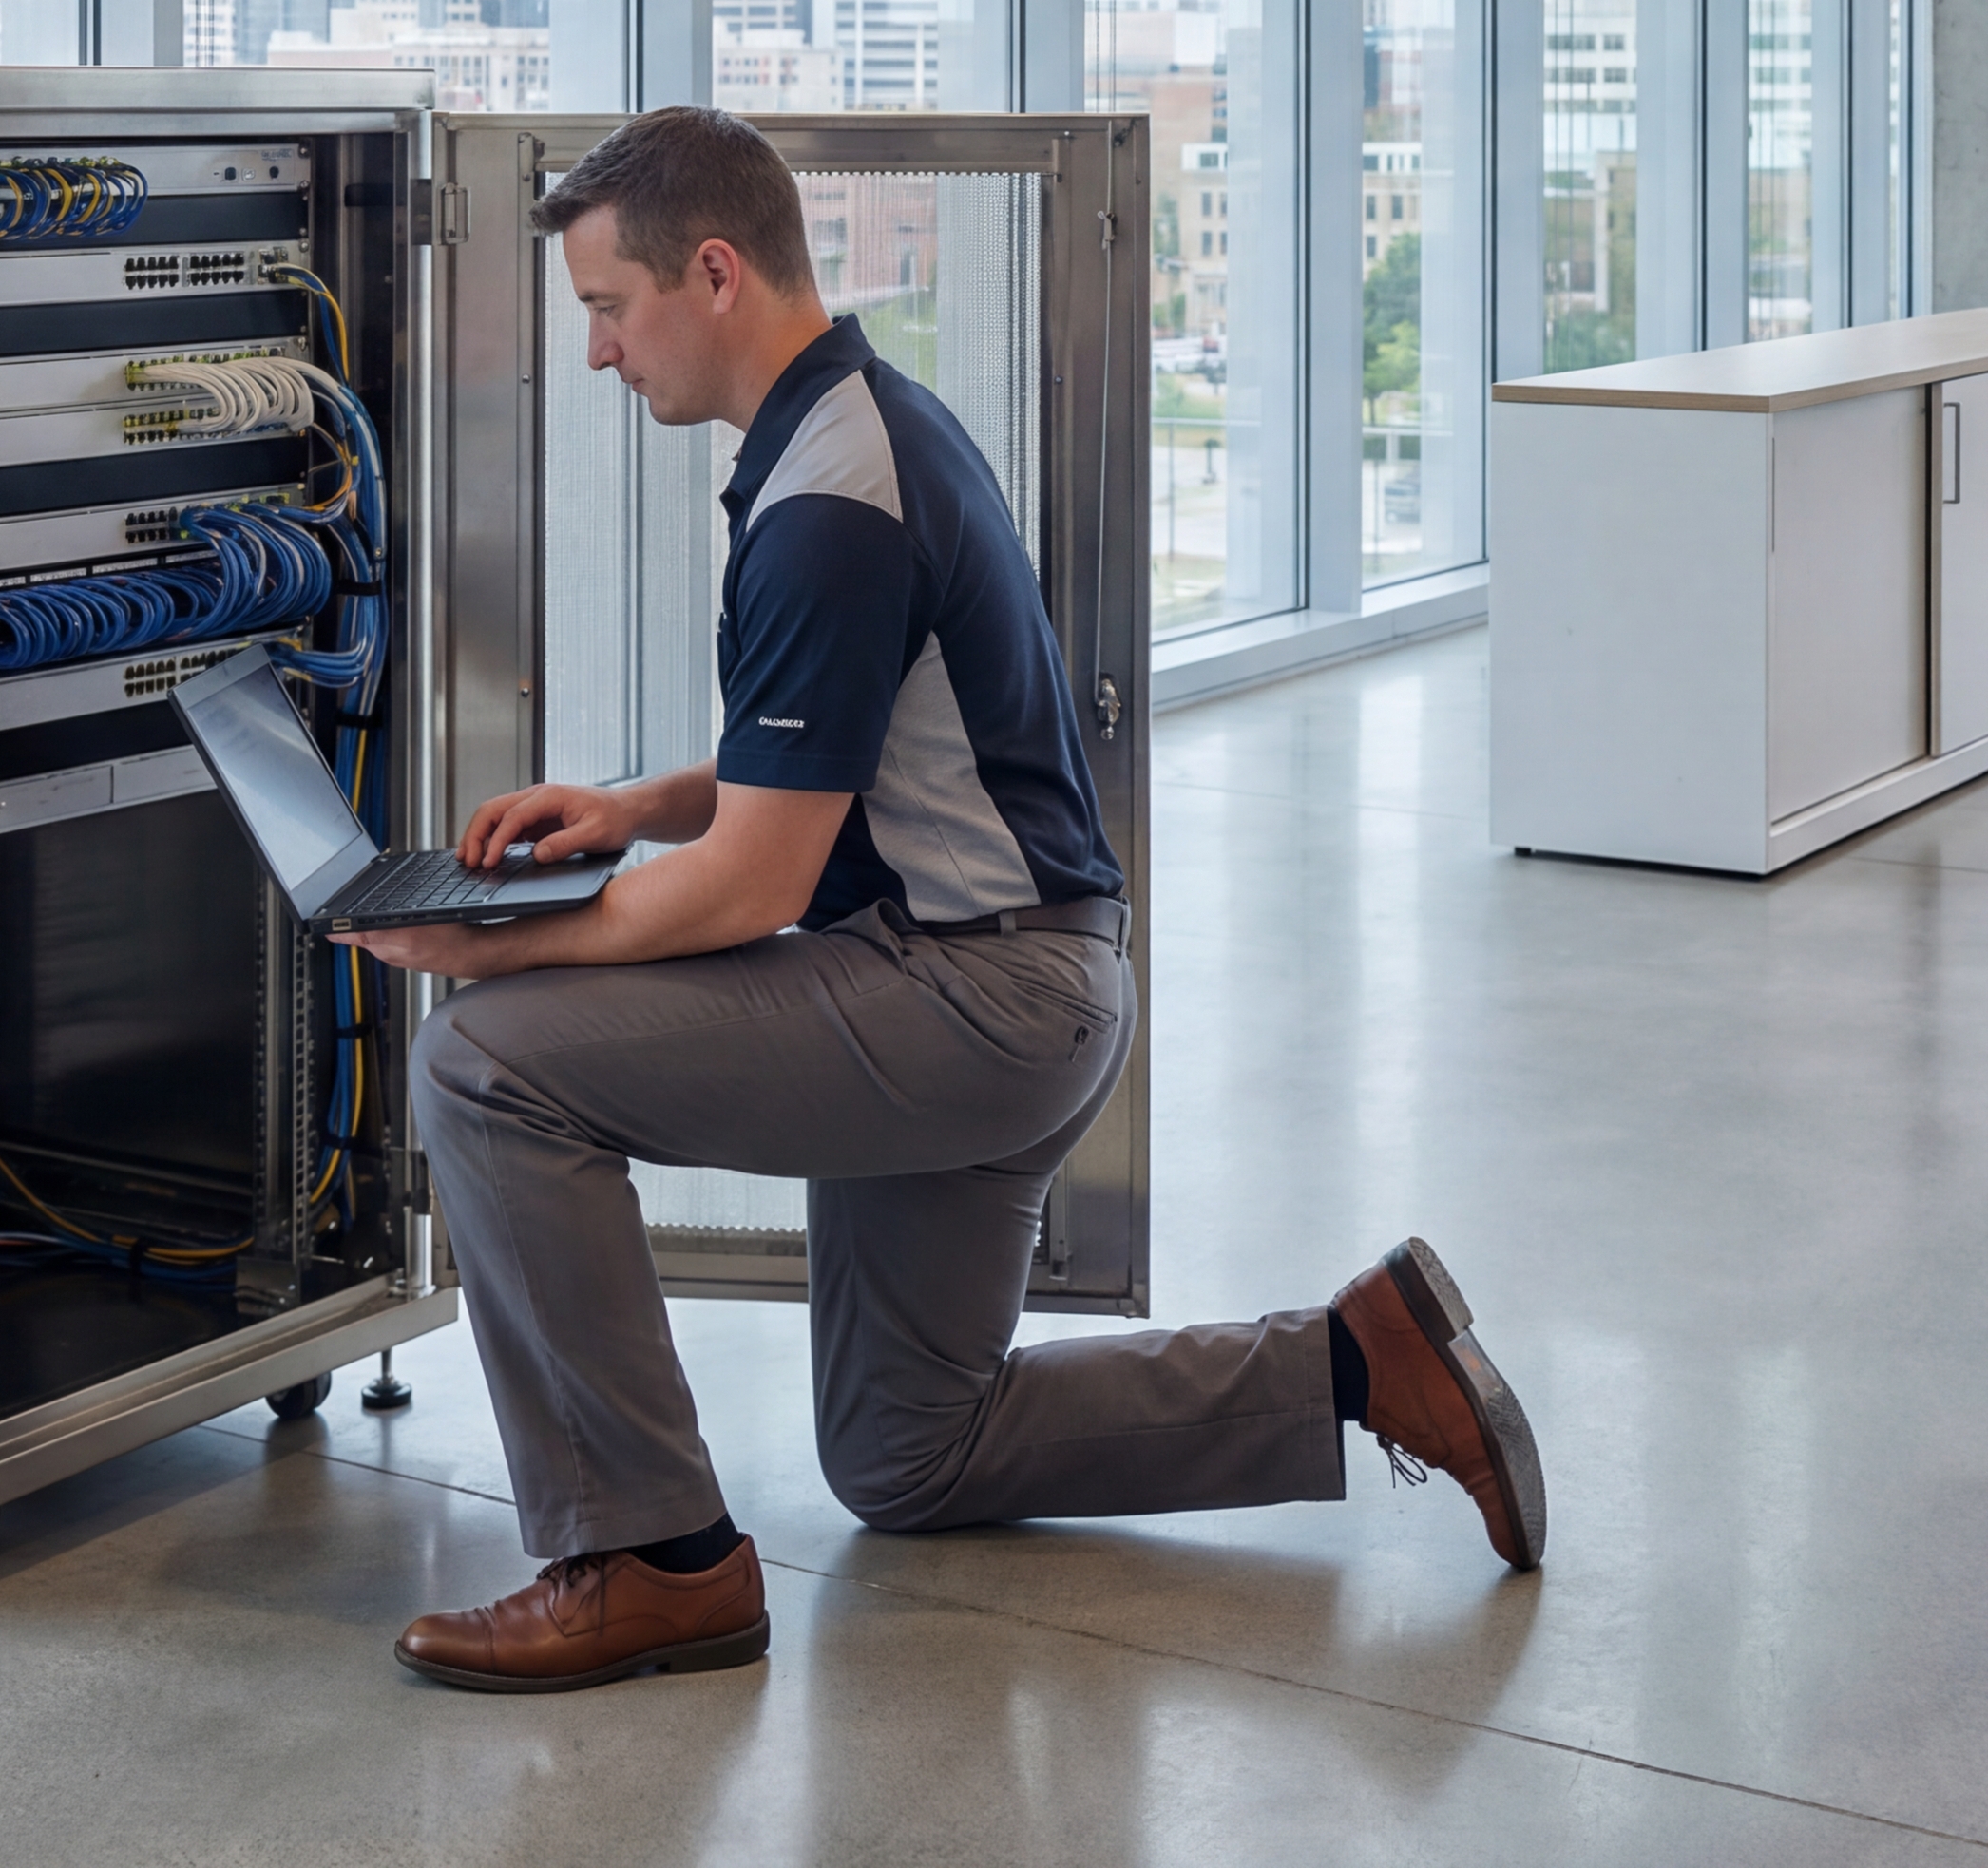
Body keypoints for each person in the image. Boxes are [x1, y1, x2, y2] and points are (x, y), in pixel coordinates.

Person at [335, 105, 1542, 1694]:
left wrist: (480, 948)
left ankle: (649, 1558)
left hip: (973, 1001)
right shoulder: (861, 423)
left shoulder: (827, 502)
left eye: (607, 310)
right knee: (910, 1453)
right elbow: (832, 765)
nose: (602, 355)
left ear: (712, 273)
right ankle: (1355, 1358)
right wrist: (633, 808)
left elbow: (756, 885)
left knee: (482, 1060)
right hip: (1020, 982)